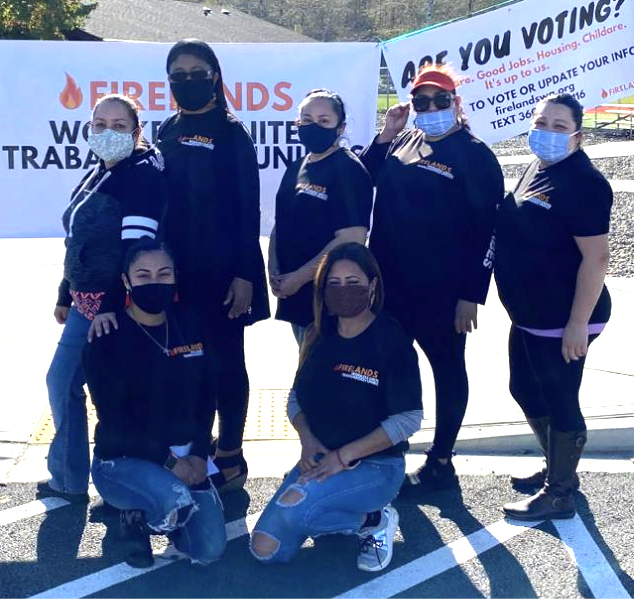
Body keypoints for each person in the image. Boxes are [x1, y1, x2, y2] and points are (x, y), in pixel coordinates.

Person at [360, 64, 504, 490]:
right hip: (390, 285)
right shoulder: (404, 139)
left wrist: (471, 295)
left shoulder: (475, 155)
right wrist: (386, 133)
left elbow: (488, 232)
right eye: (421, 101)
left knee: (446, 368)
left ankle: (441, 458)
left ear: (456, 103)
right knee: (394, 369)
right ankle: (388, 451)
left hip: (442, 292)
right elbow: (364, 176)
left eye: (441, 100)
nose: (431, 108)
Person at [250, 243, 422, 572]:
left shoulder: (391, 341)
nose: (344, 291)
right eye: (334, 283)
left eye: (354, 282)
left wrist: (344, 457)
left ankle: (374, 520)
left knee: (294, 512)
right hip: (320, 457)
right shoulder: (318, 335)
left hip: (375, 467)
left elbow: (408, 420)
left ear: (373, 287)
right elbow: (296, 397)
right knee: (265, 550)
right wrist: (307, 439)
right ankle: (329, 510)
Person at [39, 94, 165, 502]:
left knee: (95, 389)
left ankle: (119, 488)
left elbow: (136, 250)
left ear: (136, 131)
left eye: (118, 125)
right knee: (63, 382)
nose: (107, 132)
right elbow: (77, 239)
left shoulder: (140, 176)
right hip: (82, 300)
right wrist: (64, 291)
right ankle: (70, 477)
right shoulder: (98, 171)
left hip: (112, 306)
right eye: (99, 124)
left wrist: (110, 306)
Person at [157, 39, 270, 493]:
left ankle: (232, 453)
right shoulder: (165, 128)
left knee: (227, 364)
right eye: (177, 75)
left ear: (215, 76)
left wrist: (244, 275)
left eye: (195, 72)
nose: (187, 81)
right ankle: (196, 451)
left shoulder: (231, 133)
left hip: (225, 274)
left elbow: (249, 209)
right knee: (189, 364)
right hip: (176, 274)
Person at [495, 93, 612, 521]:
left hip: (563, 318)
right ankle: (557, 467)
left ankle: (559, 492)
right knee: (523, 388)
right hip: (529, 315)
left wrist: (578, 323)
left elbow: (597, 258)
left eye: (559, 127)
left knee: (561, 398)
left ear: (577, 136)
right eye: (541, 122)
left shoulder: (584, 181)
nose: (546, 132)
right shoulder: (537, 167)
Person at [84, 239, 227, 568]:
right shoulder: (106, 337)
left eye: (164, 274)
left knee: (209, 550)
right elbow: (116, 424)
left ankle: (164, 516)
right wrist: (172, 464)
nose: (154, 282)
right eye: (143, 275)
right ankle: (131, 516)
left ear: (175, 277)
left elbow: (207, 398)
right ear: (126, 281)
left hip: (185, 453)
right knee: (173, 501)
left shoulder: (189, 324)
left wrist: (198, 453)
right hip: (125, 459)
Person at [270, 89, 373, 346]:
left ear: (341, 128)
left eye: (324, 121)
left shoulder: (348, 170)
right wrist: (273, 268)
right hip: (296, 294)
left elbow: (352, 237)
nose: (313, 126)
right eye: (306, 119)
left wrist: (300, 277)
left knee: (324, 372)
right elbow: (280, 224)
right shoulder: (298, 166)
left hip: (330, 297)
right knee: (307, 364)